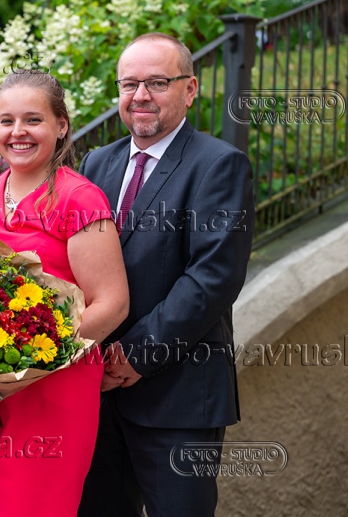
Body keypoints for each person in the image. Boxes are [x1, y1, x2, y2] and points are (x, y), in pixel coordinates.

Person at [77, 33, 255, 516]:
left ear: (190, 89)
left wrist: (133, 356)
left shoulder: (220, 165)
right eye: (129, 84)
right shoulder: (97, 162)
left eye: (157, 83)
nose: (140, 96)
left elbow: (212, 278)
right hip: (95, 396)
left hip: (177, 397)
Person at [0, 70, 130, 517]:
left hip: (52, 390)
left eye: (33, 120)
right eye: (7, 121)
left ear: (61, 125)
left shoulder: (80, 200)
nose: (17, 132)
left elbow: (113, 303)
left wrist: (23, 370)